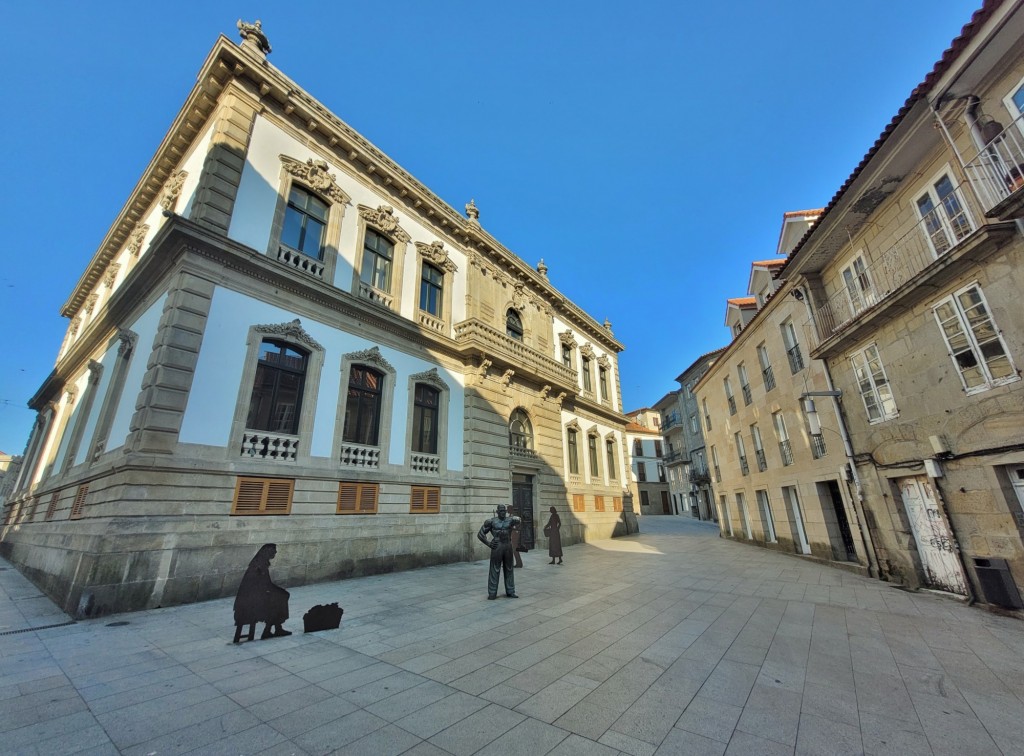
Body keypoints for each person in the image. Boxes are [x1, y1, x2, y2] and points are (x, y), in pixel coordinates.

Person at [233, 543, 291, 642]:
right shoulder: (259, 565)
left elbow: (265, 584)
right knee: (279, 600)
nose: (275, 552)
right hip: (249, 603)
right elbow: (264, 585)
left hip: (253, 597)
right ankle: (270, 630)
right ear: (267, 552)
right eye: (273, 550)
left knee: (280, 597)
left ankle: (274, 629)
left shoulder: (260, 563)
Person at [477, 504, 521, 599]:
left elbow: (519, 521)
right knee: (495, 569)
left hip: (507, 545)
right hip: (497, 545)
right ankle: (492, 593)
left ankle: (510, 591)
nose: (503, 513)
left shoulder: (510, 520)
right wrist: (488, 543)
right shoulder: (491, 522)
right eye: (501, 511)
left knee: (509, 568)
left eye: (504, 511)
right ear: (497, 512)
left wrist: (518, 519)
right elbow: (480, 534)